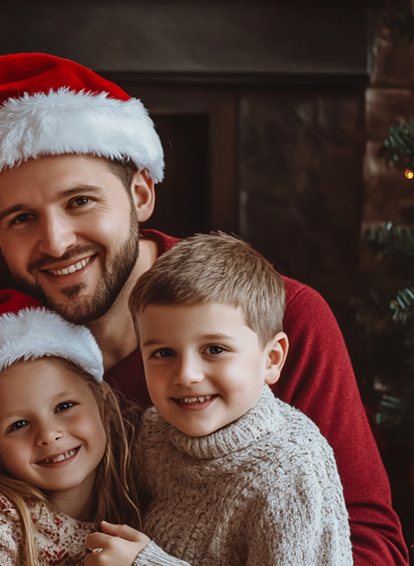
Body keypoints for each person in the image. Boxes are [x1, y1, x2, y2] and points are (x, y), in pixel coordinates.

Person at [0, 52, 407, 566]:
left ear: (140, 194)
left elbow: (367, 541)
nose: (56, 242)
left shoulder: (273, 316)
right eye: (21, 218)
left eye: (80, 202)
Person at [129, 233, 353, 565]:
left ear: (272, 358)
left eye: (214, 349)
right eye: (163, 352)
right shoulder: (153, 434)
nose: (187, 374)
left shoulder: (289, 471)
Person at [0, 289, 167, 566]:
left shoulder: (143, 470)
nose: (49, 435)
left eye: (64, 407)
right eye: (19, 425)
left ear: (102, 399)